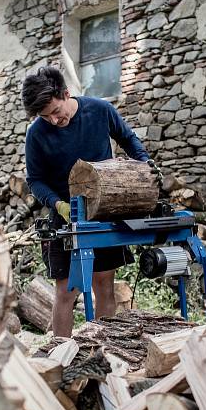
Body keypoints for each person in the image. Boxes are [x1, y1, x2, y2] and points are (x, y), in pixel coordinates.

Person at [22, 66, 153, 337]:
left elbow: (127, 138)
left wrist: (145, 165)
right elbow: (35, 179)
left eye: (56, 112)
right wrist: (58, 204)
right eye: (46, 117)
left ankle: (103, 348)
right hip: (65, 216)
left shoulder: (99, 110)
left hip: (104, 211)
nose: (54, 121)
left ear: (66, 94)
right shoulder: (36, 134)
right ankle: (60, 356)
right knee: (66, 290)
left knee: (104, 285)